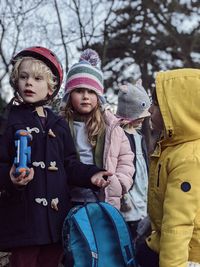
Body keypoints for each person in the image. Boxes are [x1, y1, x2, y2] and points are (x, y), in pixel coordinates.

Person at [0, 46, 111, 267]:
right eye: (24, 77)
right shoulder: (7, 120)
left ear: (51, 88)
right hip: (24, 221)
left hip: (56, 219)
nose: (29, 83)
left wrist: (92, 175)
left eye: (38, 78)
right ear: (16, 81)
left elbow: (69, 164)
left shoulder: (58, 124)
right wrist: (9, 176)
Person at [136, 68, 200, 267]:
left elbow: (178, 225)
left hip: (183, 256)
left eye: (156, 104)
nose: (150, 111)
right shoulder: (172, 147)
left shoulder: (188, 159)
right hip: (162, 244)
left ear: (177, 109)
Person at [60, 48, 134, 210]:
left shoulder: (111, 127)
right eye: (79, 91)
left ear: (99, 97)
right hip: (68, 199)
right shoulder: (60, 126)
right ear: (69, 95)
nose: (85, 96)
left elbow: (125, 159)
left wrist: (119, 183)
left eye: (91, 92)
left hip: (103, 199)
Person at [115, 80, 151, 240]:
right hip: (129, 190)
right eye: (140, 115)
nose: (143, 119)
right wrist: (123, 195)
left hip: (142, 185)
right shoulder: (120, 135)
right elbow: (118, 164)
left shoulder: (140, 136)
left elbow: (143, 163)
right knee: (129, 227)